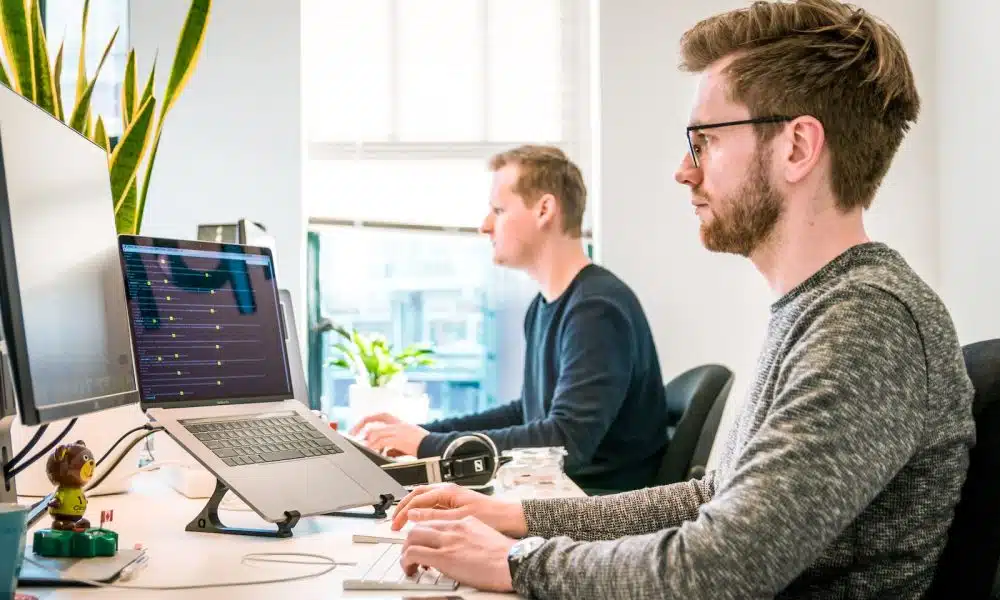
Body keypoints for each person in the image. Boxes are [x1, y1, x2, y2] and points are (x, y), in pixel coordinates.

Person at [384, 1, 977, 598]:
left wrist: (520, 563)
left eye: (705, 142)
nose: (683, 171)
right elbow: (712, 499)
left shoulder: (866, 322)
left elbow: (719, 567)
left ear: (797, 147)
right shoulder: (820, 308)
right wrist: (518, 519)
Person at [350, 144, 670, 493]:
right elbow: (527, 413)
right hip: (560, 495)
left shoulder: (596, 311)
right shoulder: (546, 306)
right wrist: (425, 434)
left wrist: (429, 447)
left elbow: (565, 444)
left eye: (499, 210)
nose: (485, 226)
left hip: (594, 509)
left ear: (544, 210)